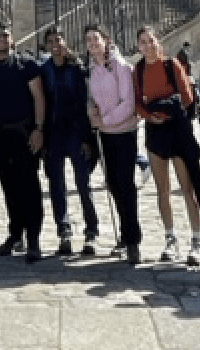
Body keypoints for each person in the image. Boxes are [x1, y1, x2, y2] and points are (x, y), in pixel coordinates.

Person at [134, 26, 200, 266]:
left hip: (176, 129)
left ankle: (196, 238)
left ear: (159, 44)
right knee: (162, 189)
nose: (148, 46)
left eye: (151, 41)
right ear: (138, 46)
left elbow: (187, 99)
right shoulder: (138, 70)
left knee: (187, 187)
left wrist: (172, 113)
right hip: (155, 129)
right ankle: (170, 237)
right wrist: (150, 116)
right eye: (143, 42)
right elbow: (137, 103)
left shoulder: (172, 65)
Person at [0, 21, 46, 263]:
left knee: (28, 187)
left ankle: (34, 239)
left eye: (4, 36)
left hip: (24, 132)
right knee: (8, 188)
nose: (0, 40)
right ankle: (16, 234)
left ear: (12, 38)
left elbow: (38, 97)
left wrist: (39, 129)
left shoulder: (26, 64)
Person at [39, 26, 99, 256]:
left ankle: (91, 230)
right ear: (46, 45)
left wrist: (87, 137)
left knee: (83, 184)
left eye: (59, 39)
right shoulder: (44, 70)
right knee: (57, 185)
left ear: (66, 42)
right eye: (51, 40)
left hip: (76, 132)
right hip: (53, 133)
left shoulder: (77, 69)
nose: (55, 44)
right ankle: (63, 230)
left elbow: (85, 103)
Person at [85, 24, 141, 265]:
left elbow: (127, 103)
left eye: (96, 39)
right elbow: (93, 99)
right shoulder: (92, 69)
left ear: (106, 40)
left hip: (123, 132)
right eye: (88, 40)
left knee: (125, 186)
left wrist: (104, 120)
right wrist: (92, 112)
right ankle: (124, 233)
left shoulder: (120, 66)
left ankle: (133, 240)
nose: (92, 44)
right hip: (104, 135)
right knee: (113, 185)